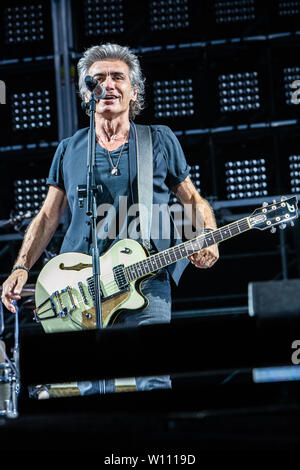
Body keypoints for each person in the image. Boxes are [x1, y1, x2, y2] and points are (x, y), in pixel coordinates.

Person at [1, 43, 219, 395]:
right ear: (87, 92)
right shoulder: (70, 148)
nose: (107, 85)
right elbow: (48, 215)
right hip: (80, 287)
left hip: (146, 278)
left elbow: (191, 198)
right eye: (97, 79)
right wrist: (21, 266)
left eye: (117, 77)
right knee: (88, 383)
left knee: (152, 378)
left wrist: (208, 233)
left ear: (134, 91)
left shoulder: (158, 140)